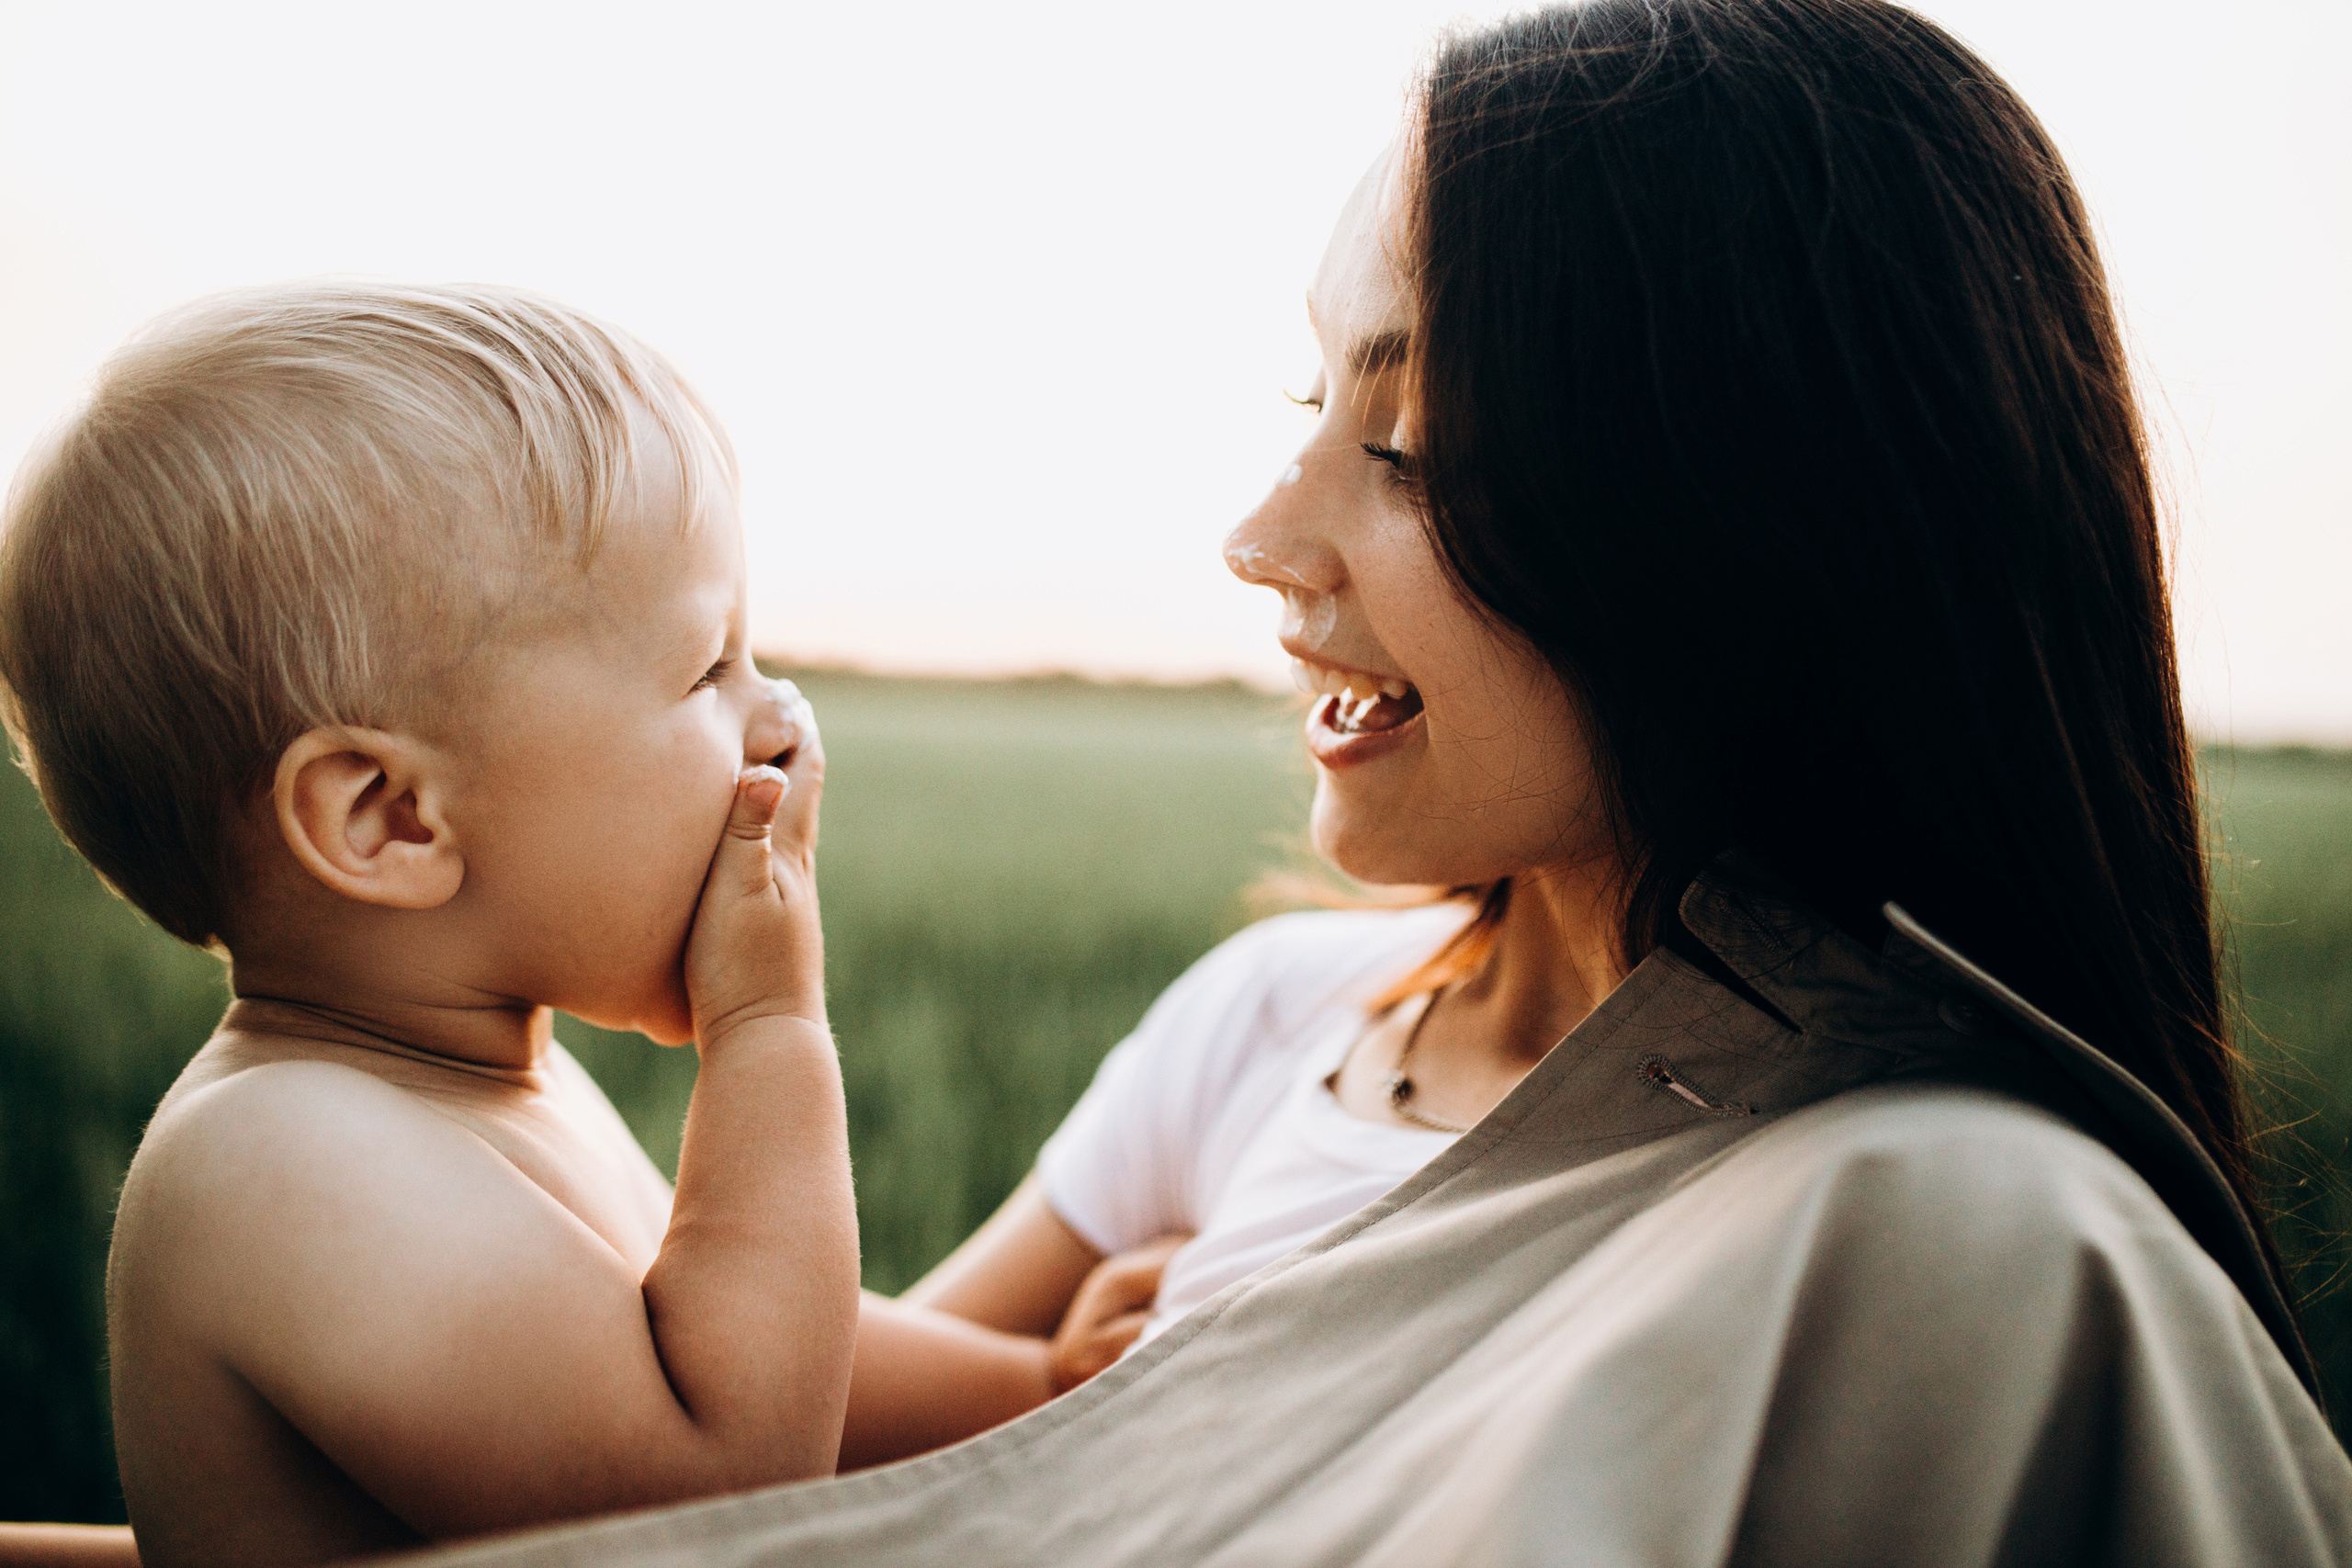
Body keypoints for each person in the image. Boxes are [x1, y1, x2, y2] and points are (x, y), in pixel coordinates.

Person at [405, 3, 2352, 1563]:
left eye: (1409, 439)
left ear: (1751, 529)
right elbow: (834, 1490)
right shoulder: (1261, 1028)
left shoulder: (1959, 1253)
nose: (1264, 534)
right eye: (1309, 403)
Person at [0, 284, 1154, 1568]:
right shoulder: (282, 1157)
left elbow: (741, 1343)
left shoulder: (484, 1090)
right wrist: (767, 1027)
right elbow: (730, 1487)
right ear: (390, 819)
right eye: (706, 668)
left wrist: (1040, 1381)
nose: (779, 717)